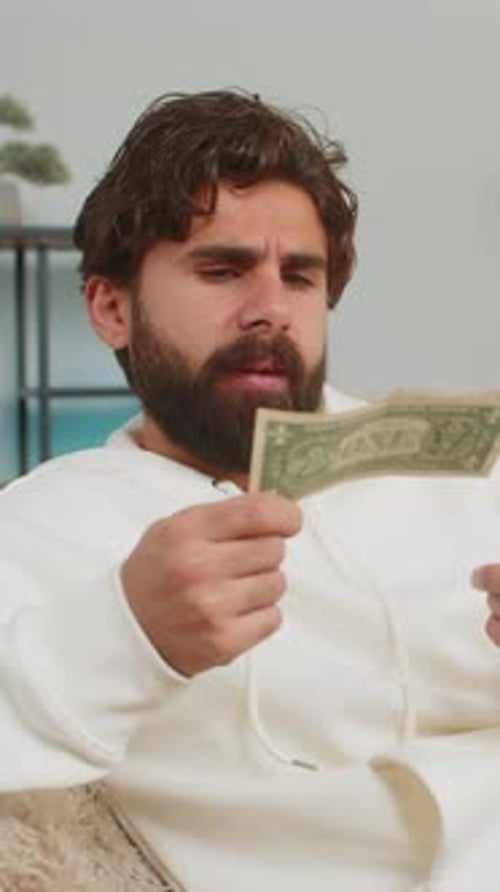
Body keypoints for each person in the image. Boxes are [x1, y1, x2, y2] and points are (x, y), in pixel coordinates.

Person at [1, 89, 500, 892]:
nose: (271, 310)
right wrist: (129, 636)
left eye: (300, 277)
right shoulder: (40, 529)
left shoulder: (469, 478)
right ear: (110, 306)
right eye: (222, 270)